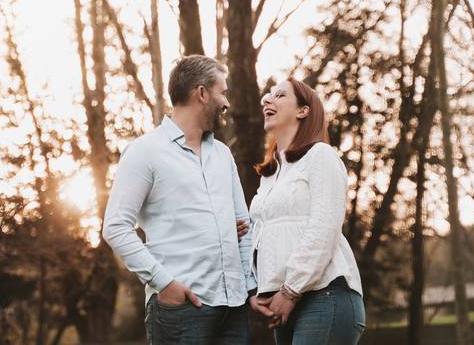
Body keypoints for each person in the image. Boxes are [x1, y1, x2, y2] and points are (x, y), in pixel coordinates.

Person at [103, 55, 260, 345]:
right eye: (222, 92)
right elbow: (115, 227)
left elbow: (243, 225)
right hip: (181, 309)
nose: (226, 103)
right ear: (201, 93)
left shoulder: (223, 154)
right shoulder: (145, 151)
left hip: (234, 310)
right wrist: (164, 283)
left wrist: (250, 287)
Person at [247, 77, 364, 345]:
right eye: (268, 95)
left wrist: (291, 290)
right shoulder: (270, 175)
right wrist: (255, 289)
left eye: (279, 95)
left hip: (324, 295)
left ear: (303, 110)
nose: (267, 99)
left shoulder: (321, 155)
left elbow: (324, 227)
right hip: (282, 302)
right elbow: (259, 236)